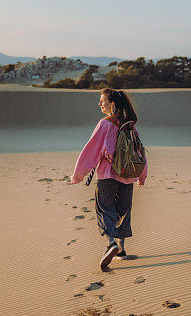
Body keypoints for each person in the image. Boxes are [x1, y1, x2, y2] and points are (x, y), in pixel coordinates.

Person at [70, 88, 147, 270]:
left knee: (104, 208)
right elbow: (139, 152)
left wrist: (78, 175)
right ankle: (120, 250)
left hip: (108, 174)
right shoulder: (130, 125)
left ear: (112, 104)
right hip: (128, 176)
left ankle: (110, 243)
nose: (100, 104)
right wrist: (141, 176)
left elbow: (91, 150)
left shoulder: (105, 124)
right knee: (123, 210)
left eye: (102, 101)